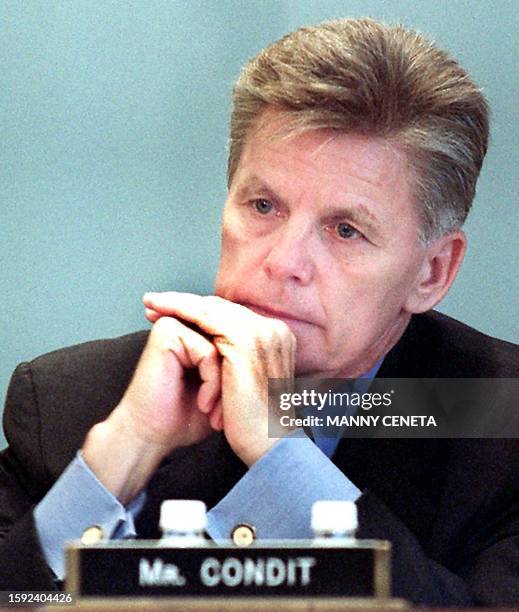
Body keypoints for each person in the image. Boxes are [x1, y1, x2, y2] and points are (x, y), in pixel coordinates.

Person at [1, 17, 518, 605]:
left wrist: (284, 463)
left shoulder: (499, 428)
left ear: (432, 273)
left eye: (346, 230)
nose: (283, 261)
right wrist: (121, 456)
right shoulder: (74, 401)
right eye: (263, 205)